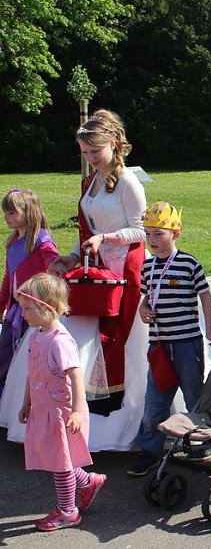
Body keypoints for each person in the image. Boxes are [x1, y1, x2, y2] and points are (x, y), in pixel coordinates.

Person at [30, 110, 148, 452]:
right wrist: (71, 255)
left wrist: (107, 240)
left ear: (113, 144)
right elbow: (89, 229)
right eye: (84, 153)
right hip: (95, 268)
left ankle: (122, 411)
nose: (90, 159)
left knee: (120, 338)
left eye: (94, 152)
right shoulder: (91, 181)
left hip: (124, 268)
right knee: (87, 337)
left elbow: (141, 229)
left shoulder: (128, 181)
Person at [127, 202, 211, 476]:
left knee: (194, 396)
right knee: (155, 401)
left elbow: (206, 297)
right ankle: (151, 450)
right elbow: (145, 297)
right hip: (159, 346)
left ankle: (202, 442)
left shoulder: (189, 263)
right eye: (149, 234)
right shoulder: (147, 267)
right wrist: (142, 309)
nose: (152, 240)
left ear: (175, 233)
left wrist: (210, 330)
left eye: (159, 234)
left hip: (187, 344)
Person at [15, 273, 106, 531]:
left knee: (61, 463)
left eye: (28, 308)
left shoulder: (59, 340)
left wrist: (78, 411)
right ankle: (88, 482)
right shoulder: (36, 335)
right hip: (43, 408)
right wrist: (26, 402)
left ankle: (68, 511)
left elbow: (76, 376)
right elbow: (32, 372)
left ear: (48, 307)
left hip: (61, 411)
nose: (23, 314)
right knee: (57, 458)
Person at [0, 190, 57, 398]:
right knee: (4, 354)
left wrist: (55, 265)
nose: (7, 217)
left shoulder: (42, 240)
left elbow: (53, 263)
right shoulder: (12, 242)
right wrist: (2, 305)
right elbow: (9, 277)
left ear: (29, 211)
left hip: (34, 310)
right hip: (15, 309)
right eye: (6, 213)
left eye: (12, 212)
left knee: (26, 357)